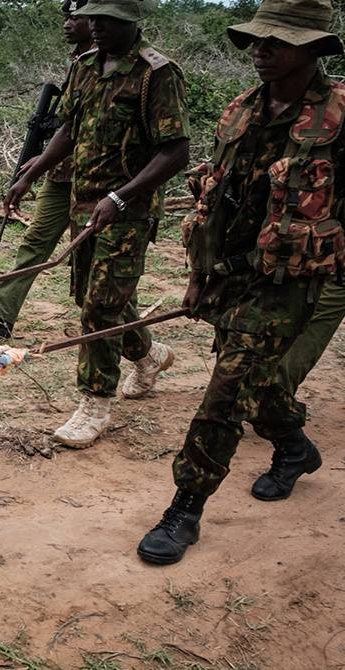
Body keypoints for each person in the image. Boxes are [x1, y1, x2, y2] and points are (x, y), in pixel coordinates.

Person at [137, 0, 345, 565]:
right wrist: (200, 276)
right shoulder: (240, 110)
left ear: (311, 48)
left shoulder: (340, 115)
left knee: (226, 391)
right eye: (257, 39)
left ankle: (185, 508)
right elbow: (217, 201)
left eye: (276, 41)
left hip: (292, 281)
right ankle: (294, 446)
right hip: (232, 273)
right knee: (258, 381)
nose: (260, 50)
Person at [3, 0, 190, 448]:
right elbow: (71, 128)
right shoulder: (86, 65)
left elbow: (175, 152)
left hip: (130, 209)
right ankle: (149, 354)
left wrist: (121, 196)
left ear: (131, 21)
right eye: (94, 19)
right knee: (96, 295)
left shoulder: (156, 74)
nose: (97, 27)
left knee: (101, 305)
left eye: (108, 20)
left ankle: (95, 402)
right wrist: (31, 172)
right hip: (83, 204)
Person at [0, 0, 93, 340]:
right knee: (35, 243)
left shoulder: (112, 65)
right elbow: (67, 127)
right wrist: (40, 164)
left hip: (97, 181)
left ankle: (140, 347)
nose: (67, 23)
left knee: (96, 266)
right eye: (66, 16)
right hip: (63, 174)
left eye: (76, 17)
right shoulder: (79, 63)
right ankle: (1, 315)